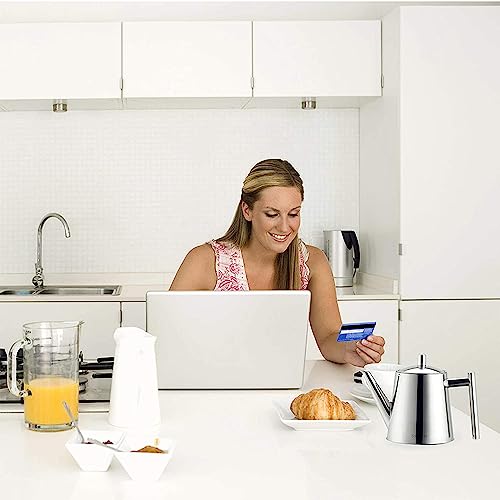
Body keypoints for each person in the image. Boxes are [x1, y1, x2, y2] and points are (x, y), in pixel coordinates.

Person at [170, 159, 385, 367]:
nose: (284, 227)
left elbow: (329, 335)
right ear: (247, 210)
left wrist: (350, 348)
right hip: (216, 380)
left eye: (293, 214)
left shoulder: (313, 262)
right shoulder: (204, 261)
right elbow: (168, 333)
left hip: (285, 382)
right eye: (272, 214)